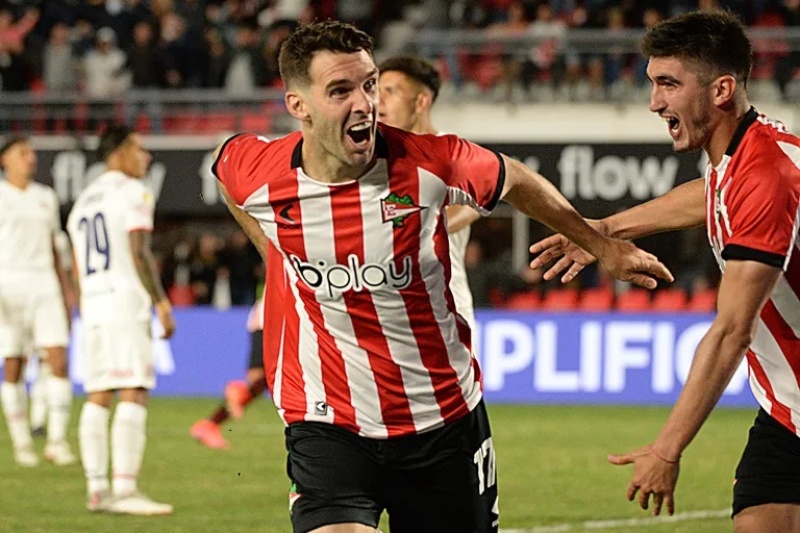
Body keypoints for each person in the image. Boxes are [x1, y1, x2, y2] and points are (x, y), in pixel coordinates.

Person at [212, 21, 672, 533]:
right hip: (326, 421)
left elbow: (515, 178)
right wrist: (272, 249)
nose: (365, 104)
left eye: (370, 84)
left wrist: (603, 246)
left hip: (441, 419)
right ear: (298, 105)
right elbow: (226, 172)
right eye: (340, 91)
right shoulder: (260, 169)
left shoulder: (430, 162)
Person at [529, 10, 800, 531]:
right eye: (653, 83)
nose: (654, 102)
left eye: (669, 84)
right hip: (787, 409)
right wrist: (605, 229)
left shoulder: (766, 175)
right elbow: (707, 195)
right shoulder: (742, 154)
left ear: (721, 90)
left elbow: (732, 331)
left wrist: (667, 449)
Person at [66, 125, 176, 515]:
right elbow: (139, 251)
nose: (146, 157)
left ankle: (97, 490)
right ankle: (125, 490)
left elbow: (75, 265)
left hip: (94, 304)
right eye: (139, 149)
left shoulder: (82, 201)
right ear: (117, 153)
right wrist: (161, 302)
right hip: (124, 300)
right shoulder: (133, 191)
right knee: (133, 388)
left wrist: (84, 303)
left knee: (98, 394)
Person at [377, 55, 481, 333]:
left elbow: (470, 207)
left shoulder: (453, 153)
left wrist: (408, 223)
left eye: (391, 91)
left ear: (421, 101)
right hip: (385, 312)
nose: (378, 100)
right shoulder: (372, 159)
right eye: (376, 91)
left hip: (443, 312)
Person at [0, 137, 75, 467]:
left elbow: (56, 248)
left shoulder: (46, 197)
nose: (30, 158)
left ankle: (57, 441)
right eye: (22, 153)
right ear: (5, 160)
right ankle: (21, 442)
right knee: (14, 364)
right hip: (7, 286)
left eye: (31, 153)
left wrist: (67, 292)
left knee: (57, 358)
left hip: (44, 285)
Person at [190, 291, 269, 450]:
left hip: (279, 315)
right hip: (272, 316)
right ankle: (237, 391)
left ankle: (209, 425)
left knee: (265, 380)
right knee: (262, 377)